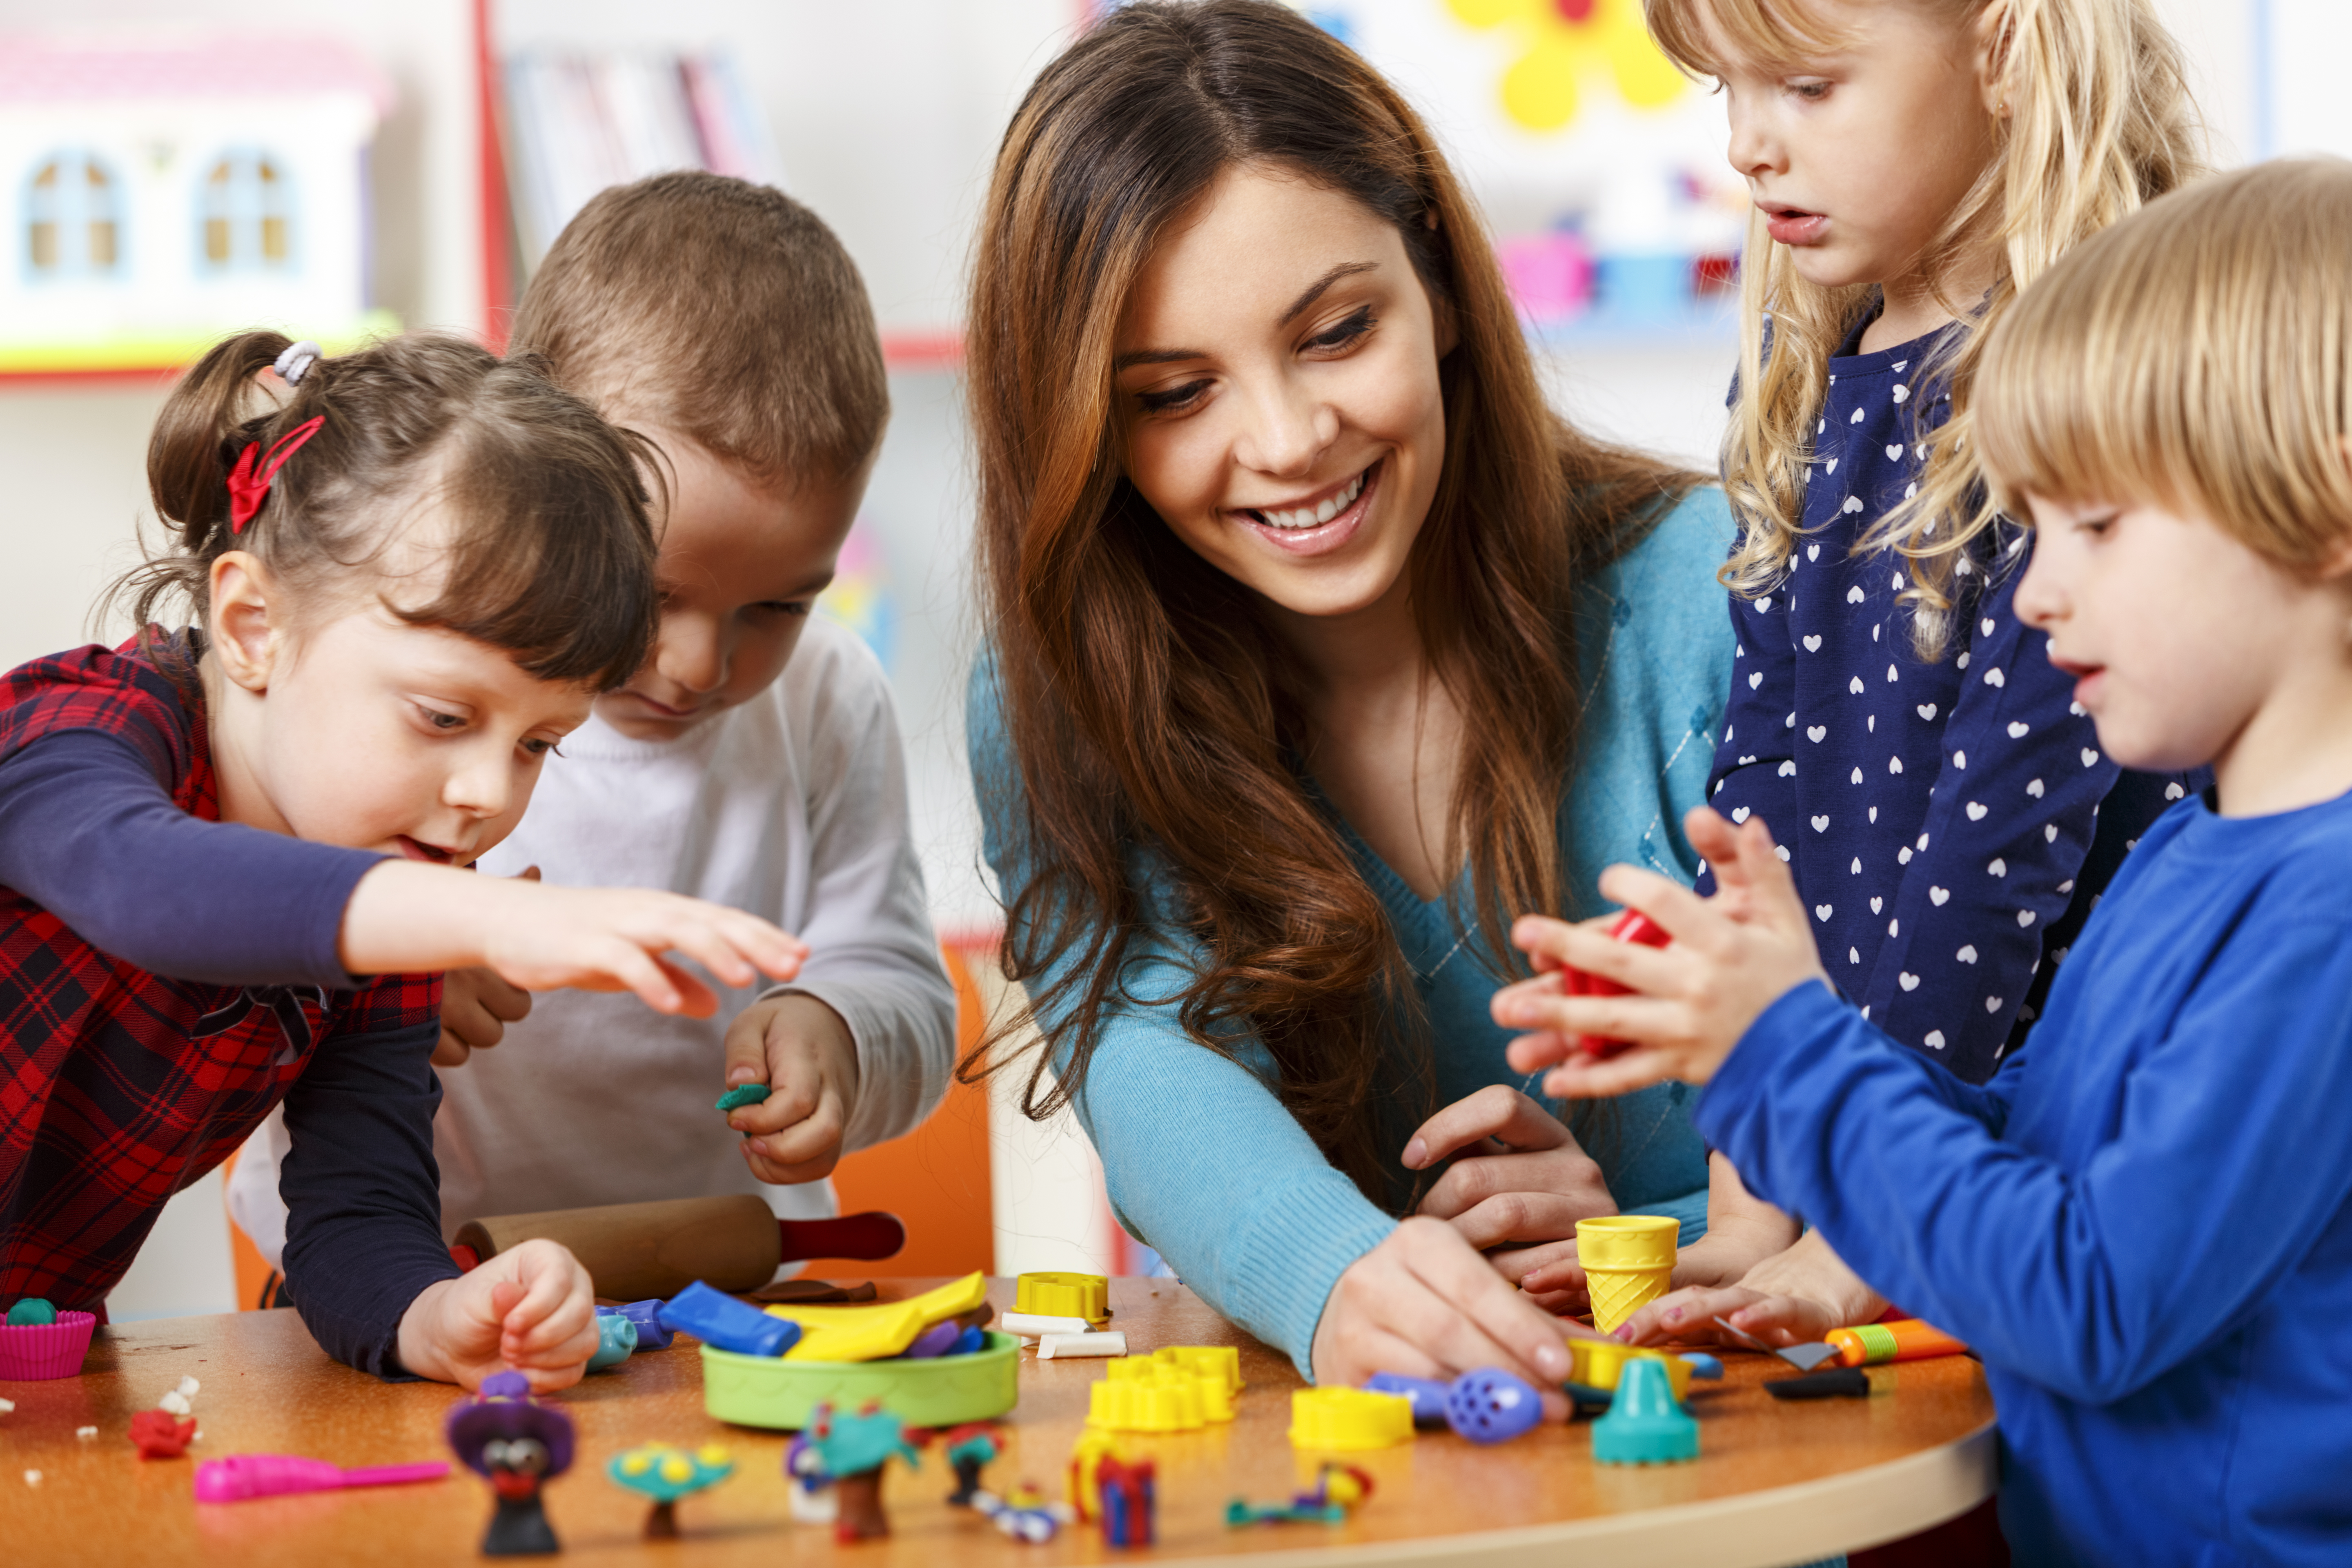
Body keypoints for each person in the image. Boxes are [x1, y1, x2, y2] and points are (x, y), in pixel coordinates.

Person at [1500, 158, 2352, 1568]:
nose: (2035, 591)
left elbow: (2093, 1297)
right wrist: (1788, 1068)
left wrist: (1794, 1060)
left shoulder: (2322, 923)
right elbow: (2039, 1136)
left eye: (2095, 524)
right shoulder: (2199, 850)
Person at [966, 0, 1736, 1394]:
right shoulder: (1061, 697)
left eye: (1334, 332)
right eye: (1175, 393)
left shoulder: (1714, 599)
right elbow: (1144, 1042)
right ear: (1083, 432)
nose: (1285, 440)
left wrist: (1635, 1250)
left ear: (1438, 286)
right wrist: (1336, 1274)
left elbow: (1905, 1138)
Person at [1518, 0, 2207, 1341]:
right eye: (1728, 91)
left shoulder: (2067, 385)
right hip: (1859, 1149)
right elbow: (1758, 824)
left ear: (2003, 50)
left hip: (2021, 1172)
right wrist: (1747, 1206)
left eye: (1807, 87)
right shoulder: (1814, 369)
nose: (1749, 150)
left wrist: (1860, 1227)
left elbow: (1994, 853)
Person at [0, 330, 806, 1387]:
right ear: (251, 624)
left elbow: (359, 1210)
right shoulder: (75, 733)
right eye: (442, 715)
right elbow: (143, 886)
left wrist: (438, 1316)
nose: (487, 795)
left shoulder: (398, 913)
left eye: (534, 745)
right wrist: (493, 922)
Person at [229, 174, 954, 1266]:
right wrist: (394, 962)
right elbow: (240, 957)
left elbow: (904, 985)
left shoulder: (829, 700)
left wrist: (843, 1035)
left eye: (780, 605)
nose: (701, 662)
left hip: (720, 1287)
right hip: (399, 1288)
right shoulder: (427, 692)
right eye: (653, 592)